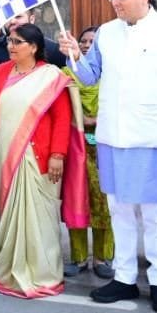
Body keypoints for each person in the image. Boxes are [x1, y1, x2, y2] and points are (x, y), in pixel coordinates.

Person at [57, 0, 157, 313]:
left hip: (153, 137)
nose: (116, 3)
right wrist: (74, 54)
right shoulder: (107, 33)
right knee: (118, 210)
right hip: (112, 135)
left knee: (156, 214)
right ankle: (124, 277)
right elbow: (89, 76)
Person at [0, 24, 87, 297]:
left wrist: (58, 155)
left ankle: (43, 274)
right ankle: (9, 268)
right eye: (10, 41)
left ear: (33, 47)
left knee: (41, 218)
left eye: (17, 42)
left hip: (41, 158)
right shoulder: (0, 73)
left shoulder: (51, 76)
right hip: (5, 156)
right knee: (10, 215)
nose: (10, 46)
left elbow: (62, 119)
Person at [62, 26, 115, 279]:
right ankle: (79, 257)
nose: (86, 45)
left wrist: (97, 120)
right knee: (77, 200)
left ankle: (103, 258)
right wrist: (78, 119)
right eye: (83, 41)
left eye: (92, 42)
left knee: (106, 203)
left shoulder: (113, 75)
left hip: (106, 146)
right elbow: (59, 107)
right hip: (75, 146)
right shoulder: (65, 75)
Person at [0, 7, 67, 68]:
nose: (12, 21)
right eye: (8, 17)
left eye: (18, 17)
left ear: (31, 19)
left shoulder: (52, 50)